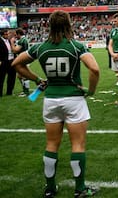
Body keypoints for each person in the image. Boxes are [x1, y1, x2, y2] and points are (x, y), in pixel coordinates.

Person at [12, 11, 100, 198]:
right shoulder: (76, 46)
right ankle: (80, 189)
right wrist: (90, 91)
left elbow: (17, 64)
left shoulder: (40, 47)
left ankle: (50, 189)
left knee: (51, 144)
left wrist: (37, 79)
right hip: (74, 100)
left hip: (51, 100)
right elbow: (94, 68)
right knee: (77, 145)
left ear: (49, 25)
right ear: (69, 24)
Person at [11, 28, 30, 96]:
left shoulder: (22, 40)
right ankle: (25, 90)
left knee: (24, 76)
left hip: (23, 60)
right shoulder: (24, 39)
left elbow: (15, 50)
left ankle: (26, 92)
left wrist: (12, 42)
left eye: (16, 35)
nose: (16, 36)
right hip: (25, 59)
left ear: (19, 34)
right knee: (19, 76)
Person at [0, 29, 16, 97]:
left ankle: (9, 92)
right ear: (2, 35)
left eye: (7, 34)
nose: (7, 35)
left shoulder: (10, 41)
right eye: (6, 34)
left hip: (11, 61)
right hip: (3, 62)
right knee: (1, 78)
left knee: (12, 77)